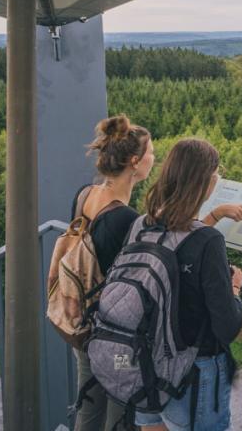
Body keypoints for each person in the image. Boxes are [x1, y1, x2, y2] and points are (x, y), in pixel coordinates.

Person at [134, 138, 242, 431]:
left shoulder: (142, 225)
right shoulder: (209, 242)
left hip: (146, 366)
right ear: (206, 180)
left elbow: (178, 244)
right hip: (193, 374)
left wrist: (214, 216)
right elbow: (226, 326)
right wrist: (235, 289)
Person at [71, 115, 153, 431]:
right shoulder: (126, 220)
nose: (153, 159)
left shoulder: (85, 194)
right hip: (116, 338)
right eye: (151, 154)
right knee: (121, 414)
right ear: (134, 162)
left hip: (84, 321)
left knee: (89, 408)